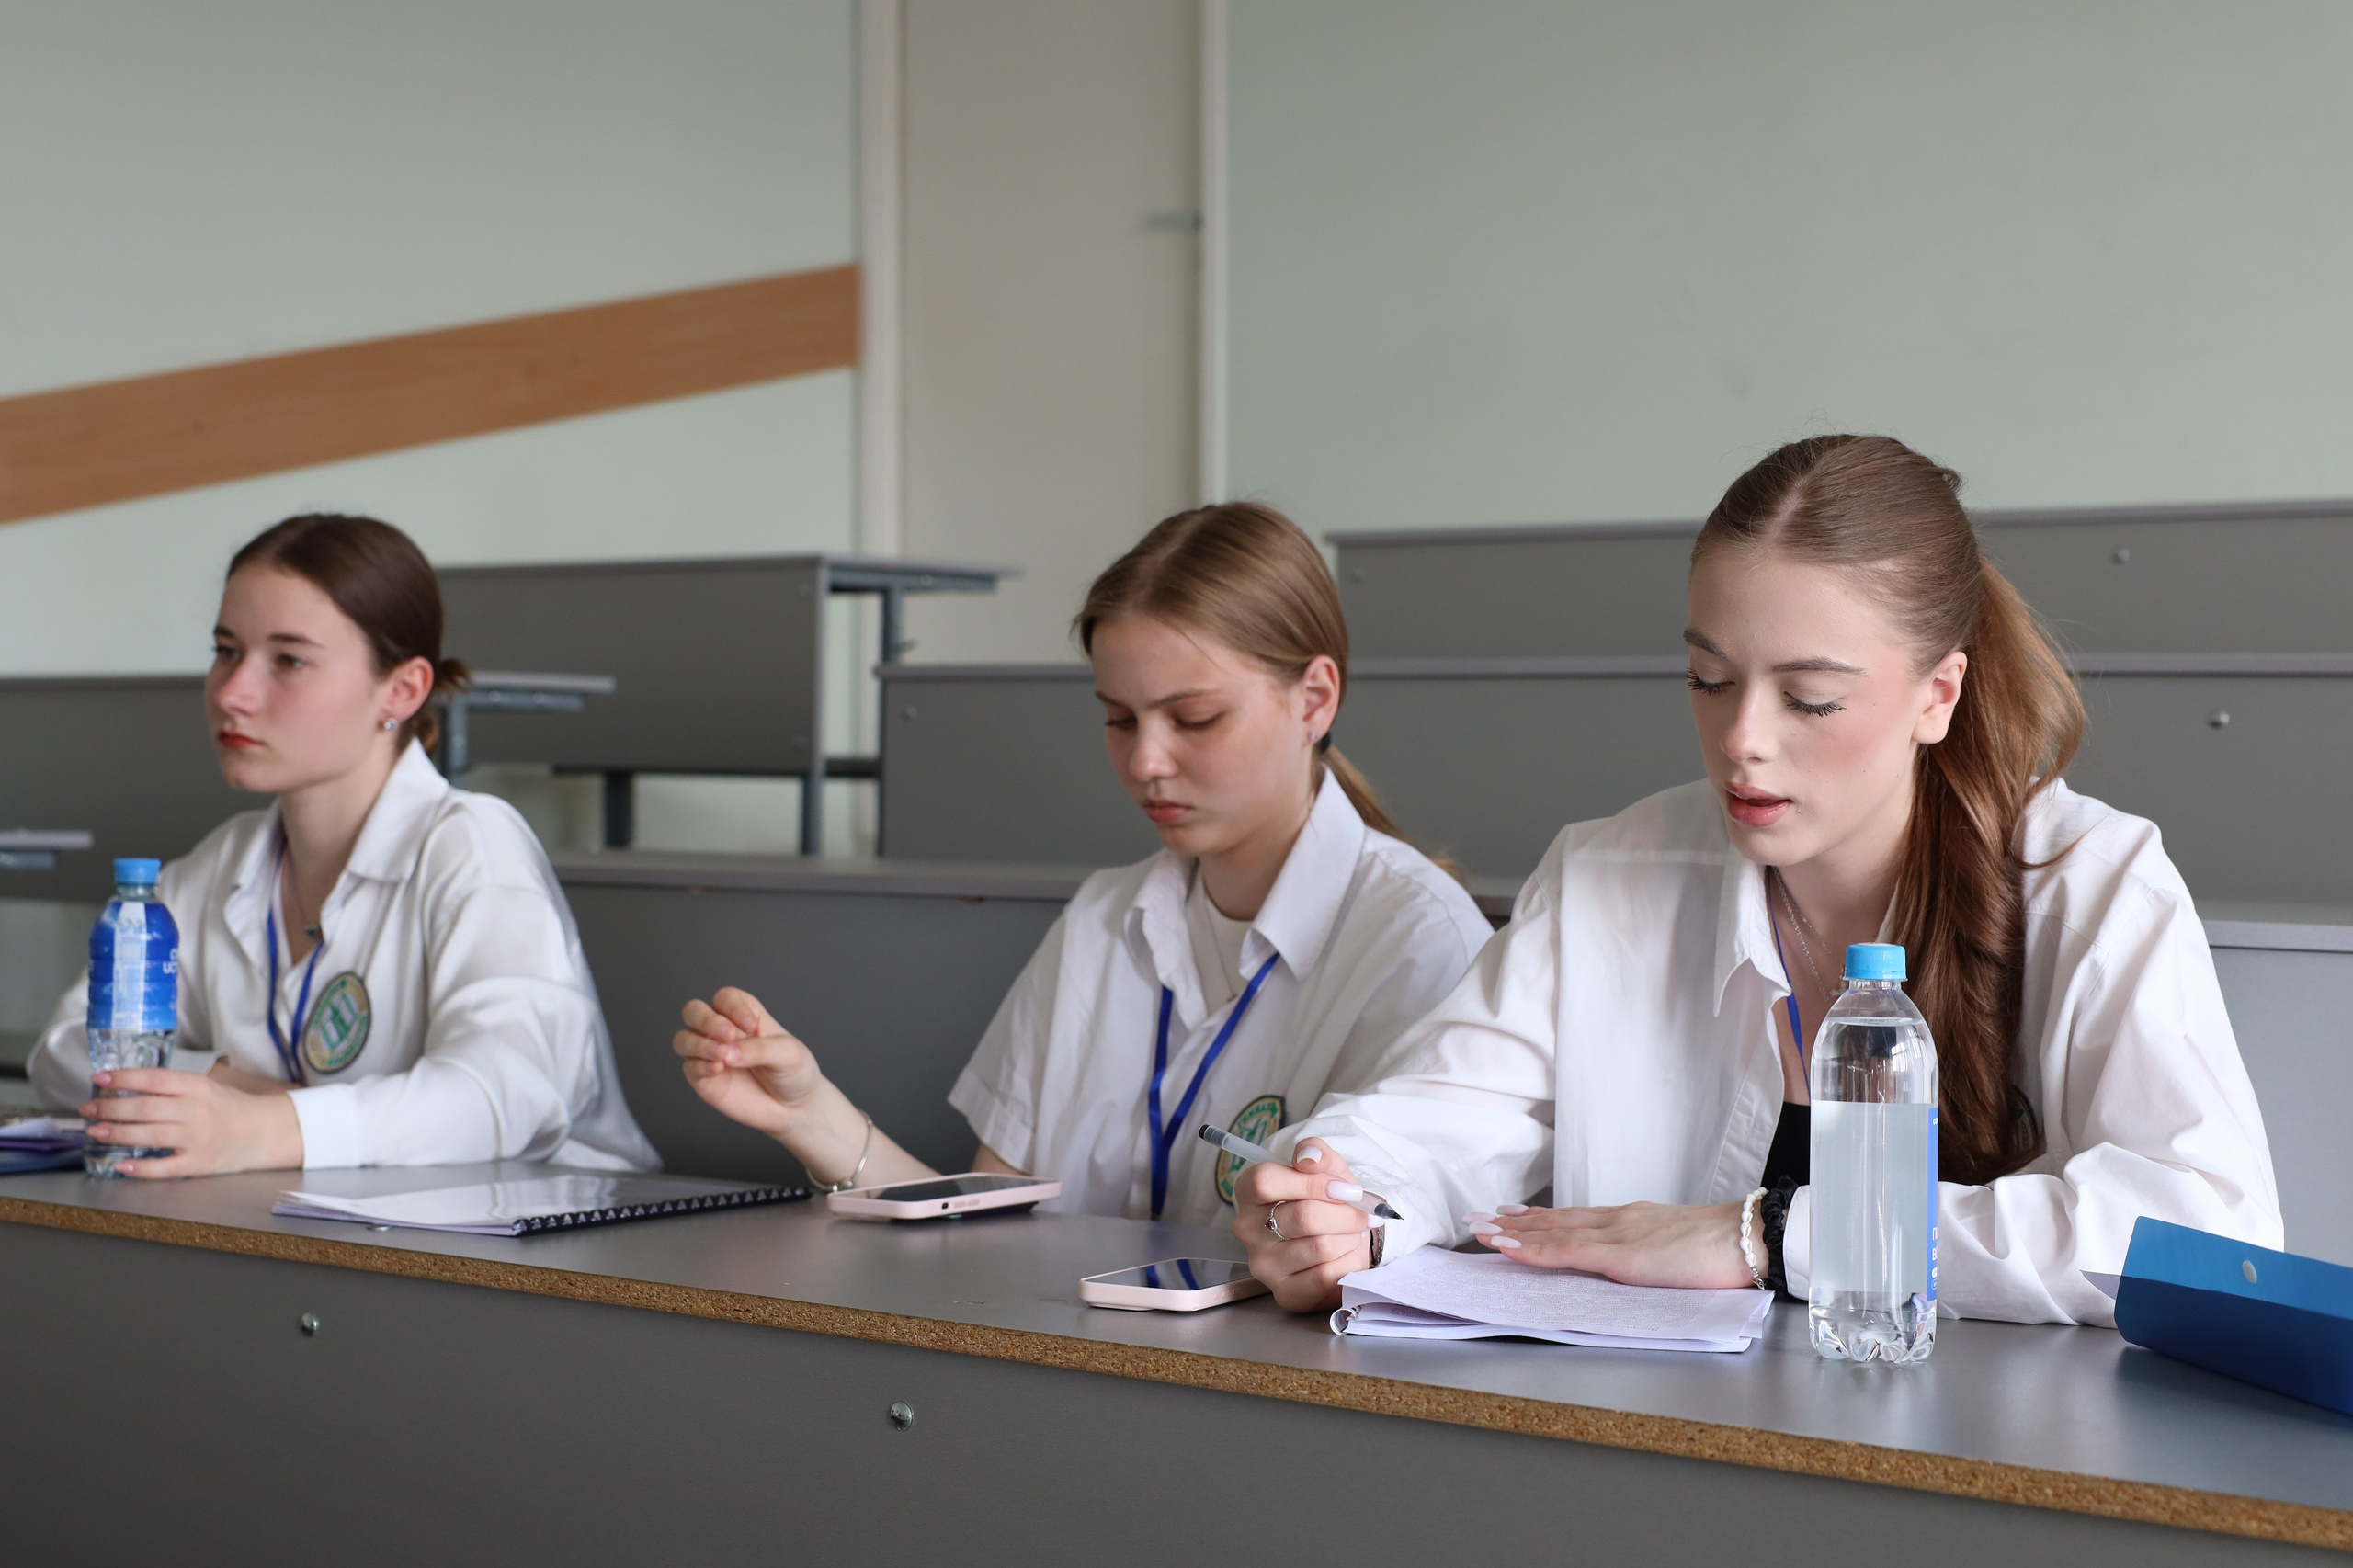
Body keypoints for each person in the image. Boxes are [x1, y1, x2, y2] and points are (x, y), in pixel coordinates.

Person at [1237, 436, 2280, 1325]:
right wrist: (1339, 1196)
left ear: (1938, 693)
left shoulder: (2090, 881)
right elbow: (1436, 1118)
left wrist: (1772, 1234)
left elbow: (2201, 1231)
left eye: (1811, 698)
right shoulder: (1610, 871)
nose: (1741, 740)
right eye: (1709, 678)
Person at [672, 503, 1493, 1226]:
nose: (1146, 762)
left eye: (1194, 718)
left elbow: (1373, 1283)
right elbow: (987, 1225)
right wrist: (807, 1112)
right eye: (1118, 719)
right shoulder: (1106, 915)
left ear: (1314, 699)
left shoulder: (1416, 942)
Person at [28, 514, 657, 1177]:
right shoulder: (224, 861)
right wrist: (224, 1087)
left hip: (548, 1255)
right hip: (325, 1234)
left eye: (289, 660)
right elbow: (67, 1052)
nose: (233, 693)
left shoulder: (472, 845)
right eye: (226, 650)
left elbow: (508, 1094)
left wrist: (268, 1126)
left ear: (403, 690)